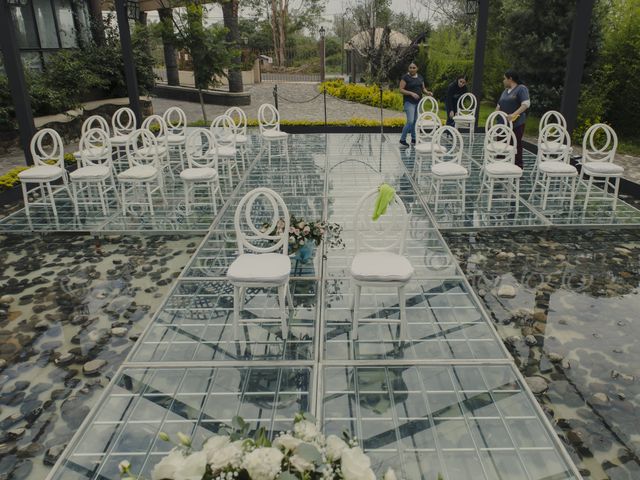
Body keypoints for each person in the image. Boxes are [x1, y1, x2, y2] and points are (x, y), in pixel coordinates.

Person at [496, 70, 530, 168]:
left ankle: (517, 166)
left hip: (516, 123)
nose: (503, 81)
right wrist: (494, 116)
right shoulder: (505, 91)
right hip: (502, 124)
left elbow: (526, 104)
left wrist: (513, 115)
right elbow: (499, 105)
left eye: (504, 78)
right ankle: (501, 165)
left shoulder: (521, 89)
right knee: (501, 144)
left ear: (510, 78)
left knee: (515, 144)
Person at [399, 62, 432, 147]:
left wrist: (427, 92)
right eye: (410, 67)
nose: (412, 69)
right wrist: (411, 93)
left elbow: (423, 88)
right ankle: (402, 140)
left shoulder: (420, 77)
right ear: (408, 68)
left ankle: (414, 139)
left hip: (418, 103)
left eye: (414, 67)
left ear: (417, 68)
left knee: (415, 122)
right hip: (409, 103)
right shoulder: (405, 77)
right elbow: (401, 89)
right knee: (410, 121)